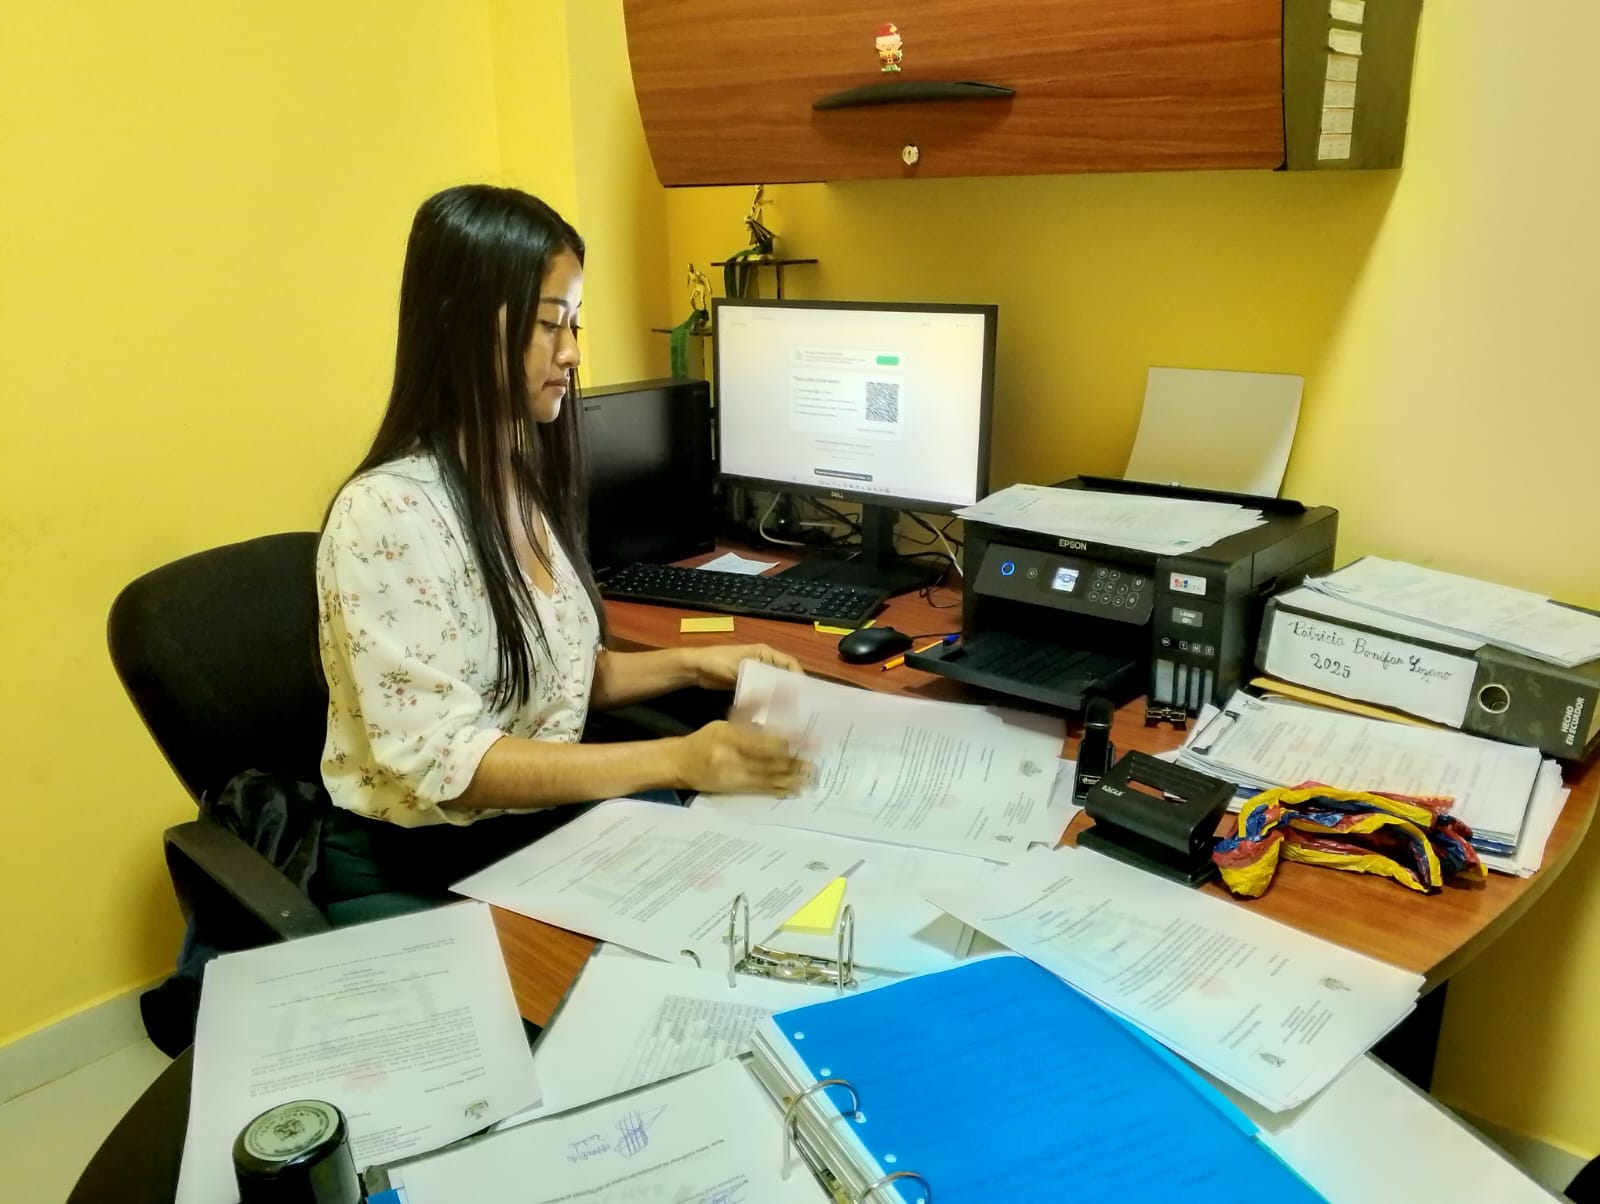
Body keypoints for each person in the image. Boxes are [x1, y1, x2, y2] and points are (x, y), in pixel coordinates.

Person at [315, 184, 808, 908]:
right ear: (459, 325)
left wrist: (696, 662)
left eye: (574, 322)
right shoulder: (384, 515)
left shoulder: (515, 481)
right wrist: (676, 759)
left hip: (529, 827)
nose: (573, 352)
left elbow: (552, 679)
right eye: (550, 324)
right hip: (428, 860)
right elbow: (448, 763)